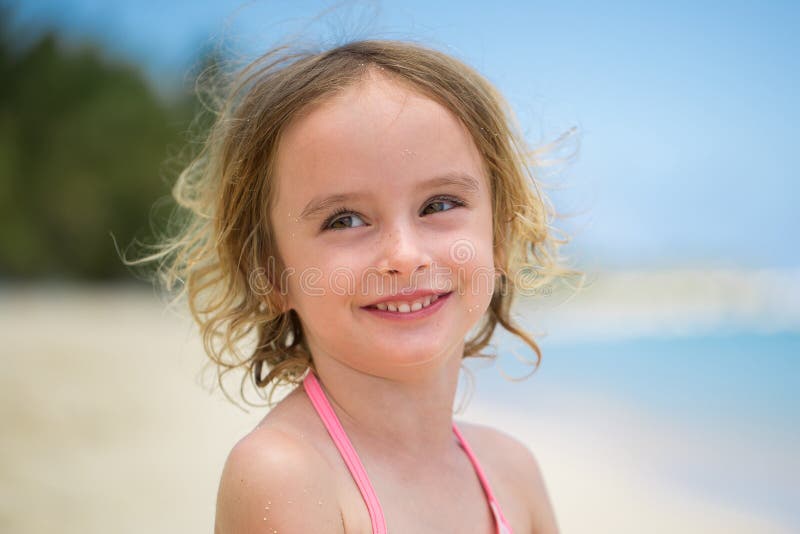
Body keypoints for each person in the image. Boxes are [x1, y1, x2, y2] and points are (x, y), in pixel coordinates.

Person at [138, 38, 579, 533]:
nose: (404, 255)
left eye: (438, 205)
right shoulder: (287, 476)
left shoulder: (512, 473)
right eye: (345, 220)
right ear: (270, 273)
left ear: (500, 234)